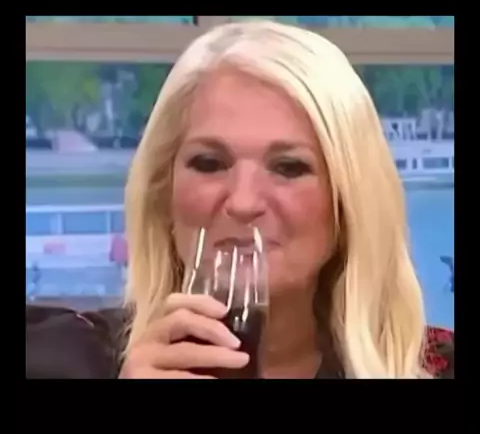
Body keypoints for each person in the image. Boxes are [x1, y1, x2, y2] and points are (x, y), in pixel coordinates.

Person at [25, 20, 454, 379]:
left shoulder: (436, 366)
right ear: (163, 194)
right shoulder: (60, 359)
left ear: (348, 203)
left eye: (289, 167)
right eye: (209, 163)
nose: (243, 203)